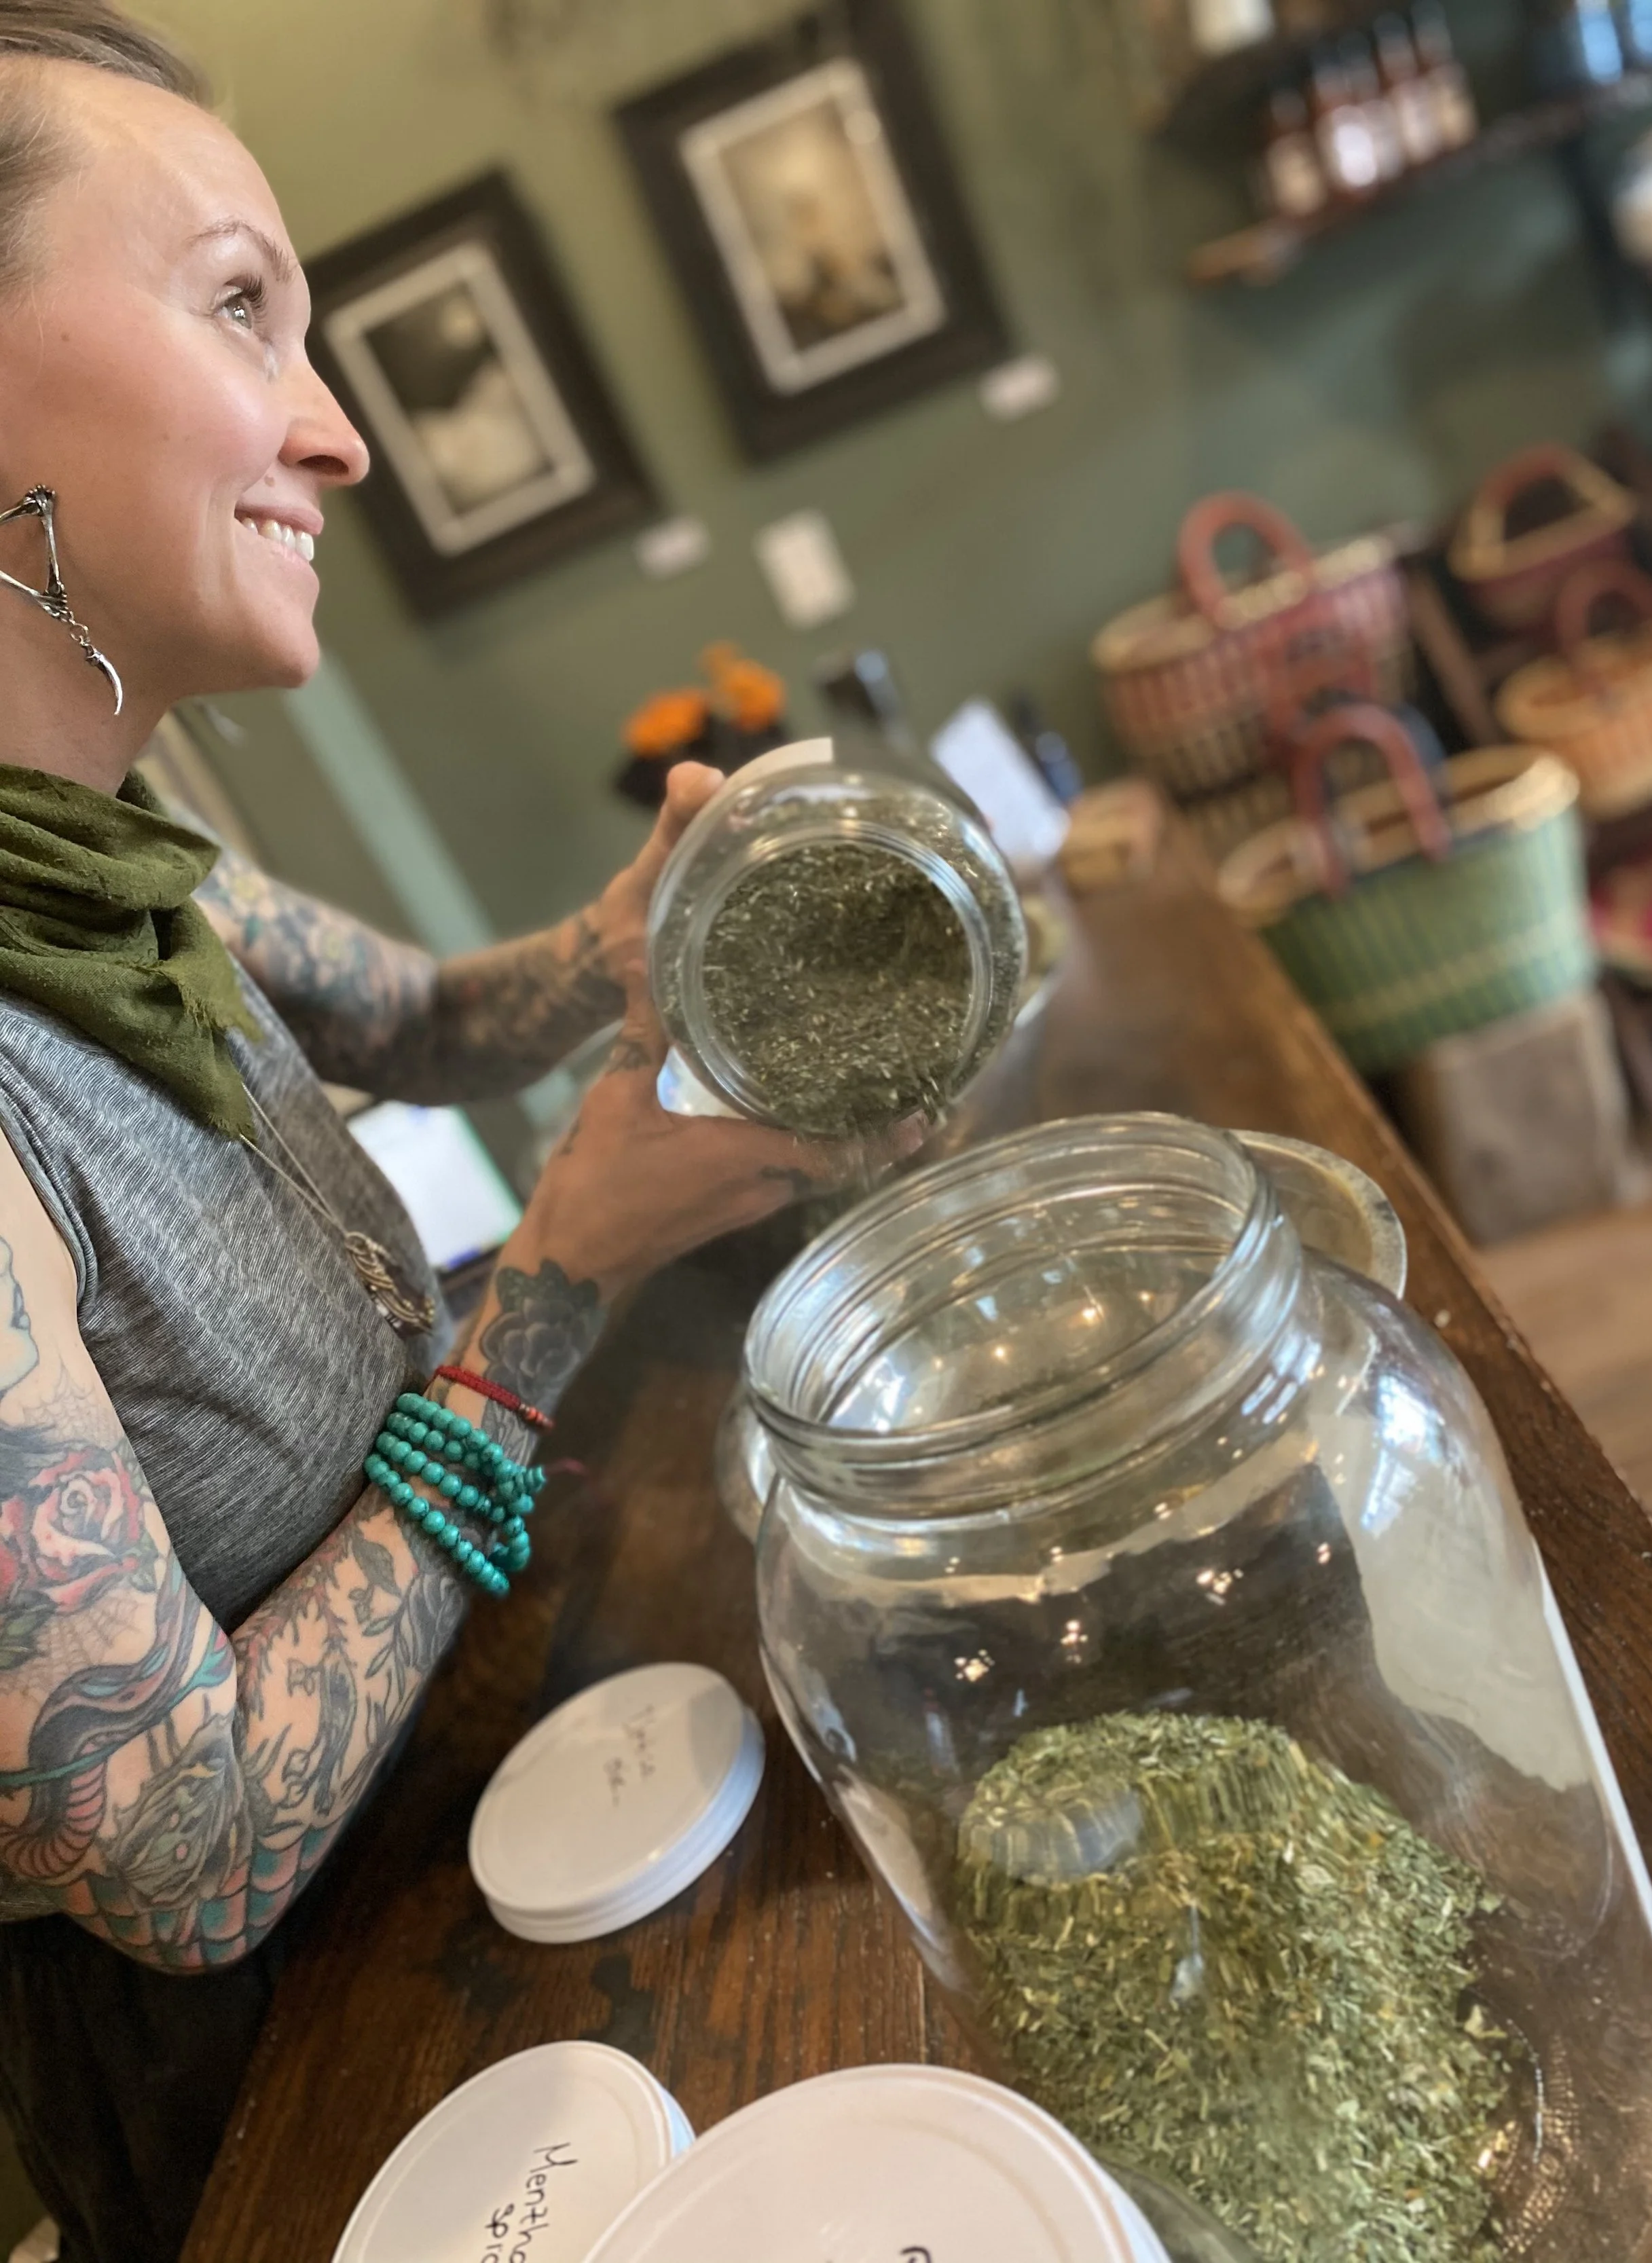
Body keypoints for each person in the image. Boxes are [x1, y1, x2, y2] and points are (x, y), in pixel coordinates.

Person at [0, 10, 834, 2259]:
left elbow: (439, 1016)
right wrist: (548, 1291)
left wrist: (629, 925)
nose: (339, 431)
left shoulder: (100, 848)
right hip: (306, 2099)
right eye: (238, 303)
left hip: (477, 1817)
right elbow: (184, 1859)